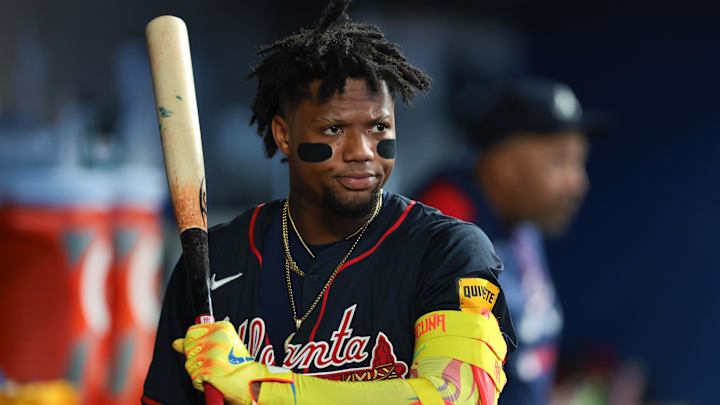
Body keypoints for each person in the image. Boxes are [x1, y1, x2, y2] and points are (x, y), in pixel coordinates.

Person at [142, 1, 517, 404]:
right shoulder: (216, 261)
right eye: (334, 128)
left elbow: (455, 395)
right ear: (284, 135)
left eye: (378, 127)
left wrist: (261, 389)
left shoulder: (447, 251)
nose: (362, 151)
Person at [414, 76, 604, 405]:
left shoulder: (520, 219)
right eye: (561, 162)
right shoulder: (446, 229)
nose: (578, 183)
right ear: (506, 169)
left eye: (579, 162)